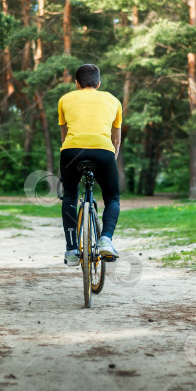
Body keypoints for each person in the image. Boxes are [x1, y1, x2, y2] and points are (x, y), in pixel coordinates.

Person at [58, 64, 122, 266]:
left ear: (76, 84)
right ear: (99, 83)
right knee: (112, 197)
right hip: (104, 151)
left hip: (71, 151)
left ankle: (71, 249)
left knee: (69, 195)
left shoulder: (65, 99)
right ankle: (106, 239)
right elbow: (117, 141)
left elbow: (64, 135)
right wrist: (110, 162)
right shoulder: (113, 100)